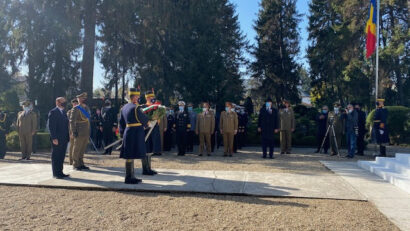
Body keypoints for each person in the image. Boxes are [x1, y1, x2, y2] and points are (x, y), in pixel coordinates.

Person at [119, 88, 156, 184]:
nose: (138, 98)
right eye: (137, 96)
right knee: (133, 153)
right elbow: (144, 119)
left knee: (129, 155)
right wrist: (149, 123)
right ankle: (129, 177)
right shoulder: (136, 107)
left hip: (128, 132)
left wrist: (122, 134)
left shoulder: (124, 107)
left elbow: (121, 122)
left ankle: (130, 176)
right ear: (134, 97)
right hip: (136, 133)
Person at [48, 97, 70, 179]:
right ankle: (56, 173)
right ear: (57, 102)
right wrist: (54, 138)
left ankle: (60, 172)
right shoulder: (53, 112)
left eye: (65, 101)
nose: (64, 103)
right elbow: (51, 126)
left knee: (61, 156)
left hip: (64, 138)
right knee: (56, 156)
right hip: (57, 138)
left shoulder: (63, 112)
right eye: (62, 101)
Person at [69, 92, 91, 170]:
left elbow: (88, 118)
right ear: (78, 99)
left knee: (82, 149)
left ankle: (81, 163)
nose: (83, 100)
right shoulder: (76, 108)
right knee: (77, 148)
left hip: (85, 131)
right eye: (81, 98)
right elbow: (72, 121)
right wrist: (73, 131)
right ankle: (75, 164)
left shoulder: (86, 108)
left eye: (84, 98)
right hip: (79, 131)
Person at [143, 90, 162, 156]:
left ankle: (157, 151)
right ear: (146, 98)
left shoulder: (156, 105)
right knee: (147, 138)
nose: (151, 98)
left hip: (154, 123)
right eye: (150, 97)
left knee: (156, 137)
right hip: (147, 124)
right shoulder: (144, 106)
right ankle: (148, 150)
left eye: (152, 97)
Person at [67, 99, 79, 165]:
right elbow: (68, 123)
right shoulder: (70, 112)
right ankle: (71, 160)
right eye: (74, 103)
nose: (75, 104)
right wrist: (70, 132)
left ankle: (76, 160)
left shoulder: (80, 111)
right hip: (72, 130)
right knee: (72, 146)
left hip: (78, 131)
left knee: (77, 146)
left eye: (76, 103)